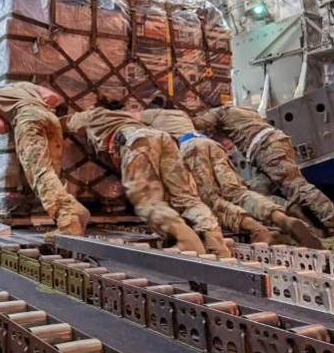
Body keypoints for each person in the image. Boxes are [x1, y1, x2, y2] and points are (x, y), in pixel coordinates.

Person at [141, 105, 323, 248]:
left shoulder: (152, 115)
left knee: (211, 200)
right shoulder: (180, 115)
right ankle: (281, 218)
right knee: (238, 192)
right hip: (209, 144)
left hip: (189, 148)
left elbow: (132, 124)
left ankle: (256, 229)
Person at [65, 99, 225, 256]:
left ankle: (187, 241)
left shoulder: (93, 114)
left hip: (137, 142)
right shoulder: (127, 116)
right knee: (186, 198)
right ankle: (216, 243)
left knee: (147, 202)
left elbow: (65, 123)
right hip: (163, 138)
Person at [194, 105, 334, 239]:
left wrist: (181, 119)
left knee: (297, 187)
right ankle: (304, 225)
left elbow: (199, 124)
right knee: (255, 194)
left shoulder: (221, 112)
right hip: (274, 146)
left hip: (266, 149)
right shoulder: (245, 109)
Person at [0, 82, 89, 235]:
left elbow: (0, 127)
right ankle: (74, 213)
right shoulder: (21, 85)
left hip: (28, 121)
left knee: (40, 172)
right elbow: (53, 97)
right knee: (51, 173)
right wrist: (37, 108)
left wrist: (18, 118)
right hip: (51, 118)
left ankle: (69, 220)